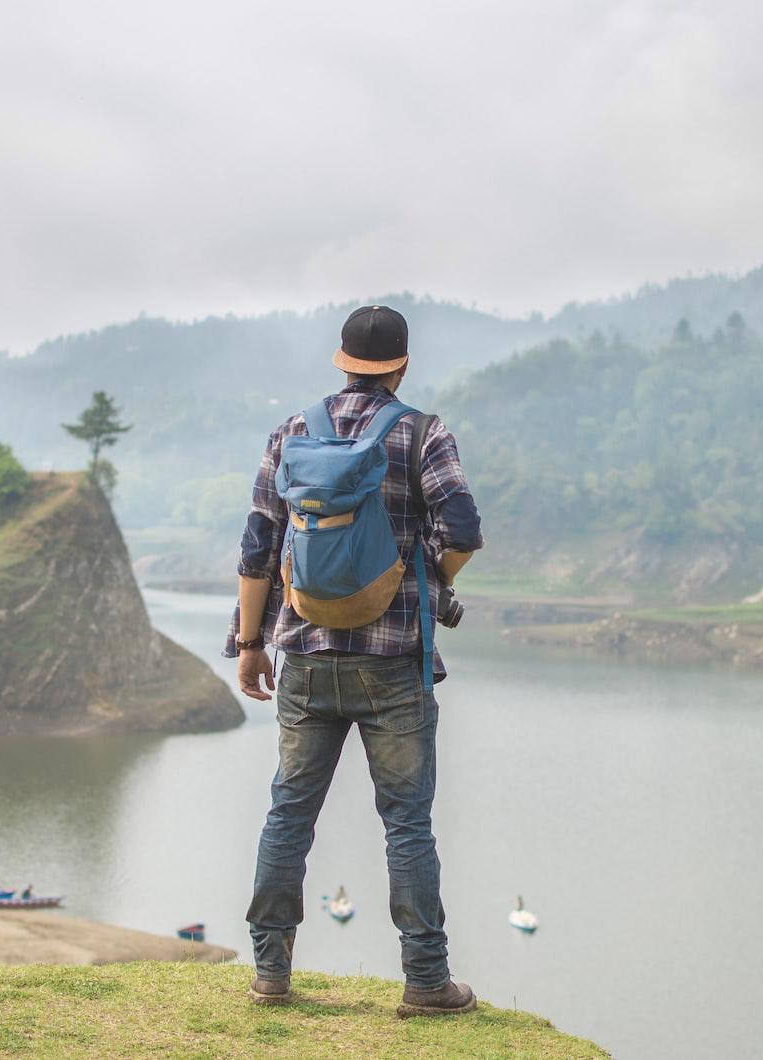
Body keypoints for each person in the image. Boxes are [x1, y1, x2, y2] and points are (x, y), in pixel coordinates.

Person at [225, 304, 483, 1018]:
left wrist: (250, 647)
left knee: (289, 813)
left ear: (340, 359)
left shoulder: (293, 431)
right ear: (402, 364)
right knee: (406, 822)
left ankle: (270, 973)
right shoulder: (424, 434)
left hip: (305, 655)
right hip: (395, 661)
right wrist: (431, 578)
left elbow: (256, 547)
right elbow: (463, 530)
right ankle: (427, 983)